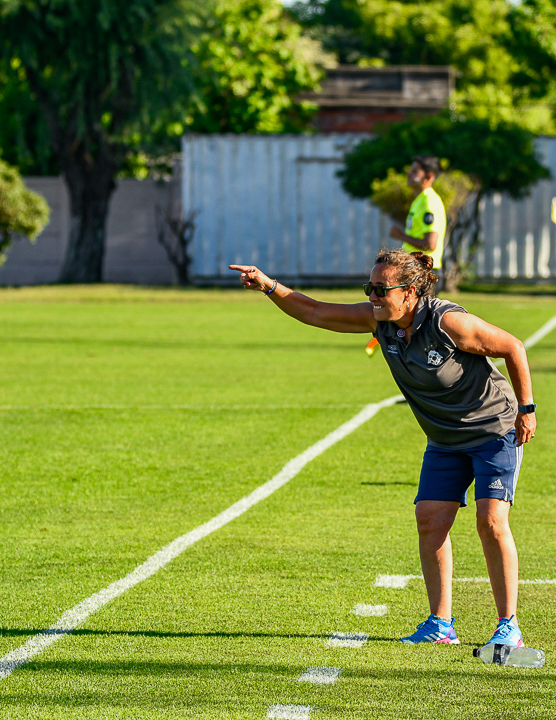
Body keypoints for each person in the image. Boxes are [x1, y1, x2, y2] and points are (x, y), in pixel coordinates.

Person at [229, 251, 537, 649]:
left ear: (410, 292)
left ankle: (508, 625)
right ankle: (441, 624)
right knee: (430, 519)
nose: (372, 296)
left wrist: (527, 409)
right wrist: (269, 286)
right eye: (369, 288)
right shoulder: (380, 321)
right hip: (444, 440)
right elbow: (315, 312)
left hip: (494, 430)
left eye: (381, 289)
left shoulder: (448, 322)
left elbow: (513, 347)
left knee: (491, 522)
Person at [366, 156, 448, 358]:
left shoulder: (429, 201)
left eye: (415, 171)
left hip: (424, 272)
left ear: (428, 176)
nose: (409, 174)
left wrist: (400, 235)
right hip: (412, 271)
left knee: (424, 329)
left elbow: (430, 244)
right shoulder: (419, 200)